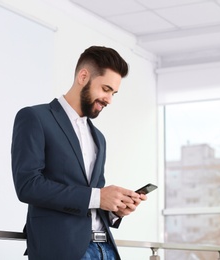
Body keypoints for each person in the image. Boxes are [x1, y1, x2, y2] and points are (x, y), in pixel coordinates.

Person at [11, 46, 147, 260]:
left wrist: (114, 210)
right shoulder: (35, 118)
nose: (109, 99)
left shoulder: (99, 137)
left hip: (106, 249)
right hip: (63, 250)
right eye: (105, 88)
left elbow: (92, 199)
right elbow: (28, 186)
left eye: (113, 93)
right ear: (83, 76)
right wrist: (98, 196)